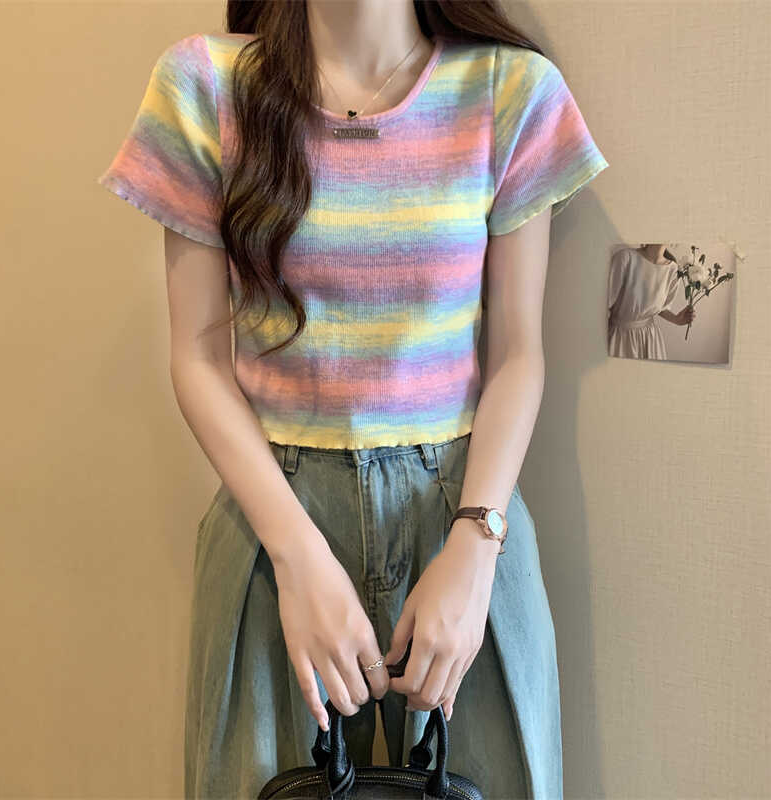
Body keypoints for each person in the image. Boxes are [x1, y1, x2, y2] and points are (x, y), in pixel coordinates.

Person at [96, 1, 609, 797]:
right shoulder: (207, 87)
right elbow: (197, 357)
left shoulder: (509, 91)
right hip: (275, 524)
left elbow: (518, 356)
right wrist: (297, 557)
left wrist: (476, 548)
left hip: (465, 520)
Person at [607, 244, 695, 360]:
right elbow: (604, 306)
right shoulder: (625, 258)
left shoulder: (673, 270)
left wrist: (676, 319)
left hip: (650, 340)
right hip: (620, 338)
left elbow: (662, 308)